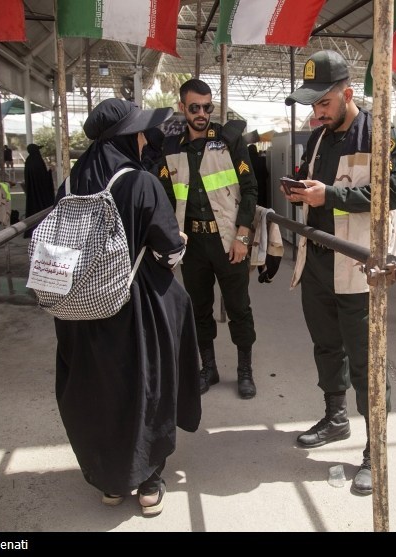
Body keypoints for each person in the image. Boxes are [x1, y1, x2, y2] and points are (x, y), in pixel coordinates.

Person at [52, 98, 201, 516]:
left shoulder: (67, 184)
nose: (144, 138)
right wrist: (178, 246)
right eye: (139, 131)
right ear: (128, 137)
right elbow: (169, 251)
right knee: (146, 386)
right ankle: (149, 481)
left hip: (77, 310)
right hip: (132, 309)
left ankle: (109, 481)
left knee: (95, 390)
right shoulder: (140, 182)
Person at [283, 49, 396, 496]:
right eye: (313, 104)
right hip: (316, 260)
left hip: (358, 266)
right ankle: (336, 419)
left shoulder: (380, 134)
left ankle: (377, 450)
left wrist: (328, 195)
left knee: (367, 361)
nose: (317, 111)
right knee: (327, 346)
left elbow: (389, 194)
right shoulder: (318, 138)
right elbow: (306, 177)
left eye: (323, 103)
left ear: (348, 94)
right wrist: (299, 190)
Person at [154, 78, 259, 400]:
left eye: (207, 107)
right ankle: (209, 368)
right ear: (182, 107)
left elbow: (250, 190)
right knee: (199, 308)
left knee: (239, 308)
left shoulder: (230, 141)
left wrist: (243, 235)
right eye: (195, 107)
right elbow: (165, 197)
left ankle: (245, 371)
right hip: (193, 245)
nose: (202, 113)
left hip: (228, 242)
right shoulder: (169, 148)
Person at [23, 144, 54, 239]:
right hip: (42, 192)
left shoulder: (28, 161)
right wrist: (49, 173)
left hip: (32, 193)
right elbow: (43, 178)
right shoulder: (38, 161)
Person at [248, 143, 270, 208]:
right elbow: (266, 174)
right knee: (261, 204)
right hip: (261, 186)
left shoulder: (246, 162)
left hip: (251, 186)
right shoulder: (261, 160)